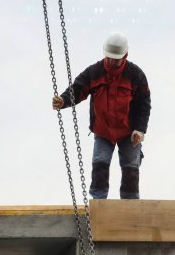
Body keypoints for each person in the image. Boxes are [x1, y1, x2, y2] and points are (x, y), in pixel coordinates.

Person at [52, 32, 151, 200]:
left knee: (130, 168)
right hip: (103, 131)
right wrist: (63, 100)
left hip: (129, 132)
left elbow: (144, 104)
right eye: (109, 57)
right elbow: (77, 89)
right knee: (100, 165)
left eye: (116, 59)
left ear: (124, 56)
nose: (112, 62)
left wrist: (140, 130)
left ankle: (130, 205)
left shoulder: (136, 75)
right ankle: (98, 202)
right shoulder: (94, 72)